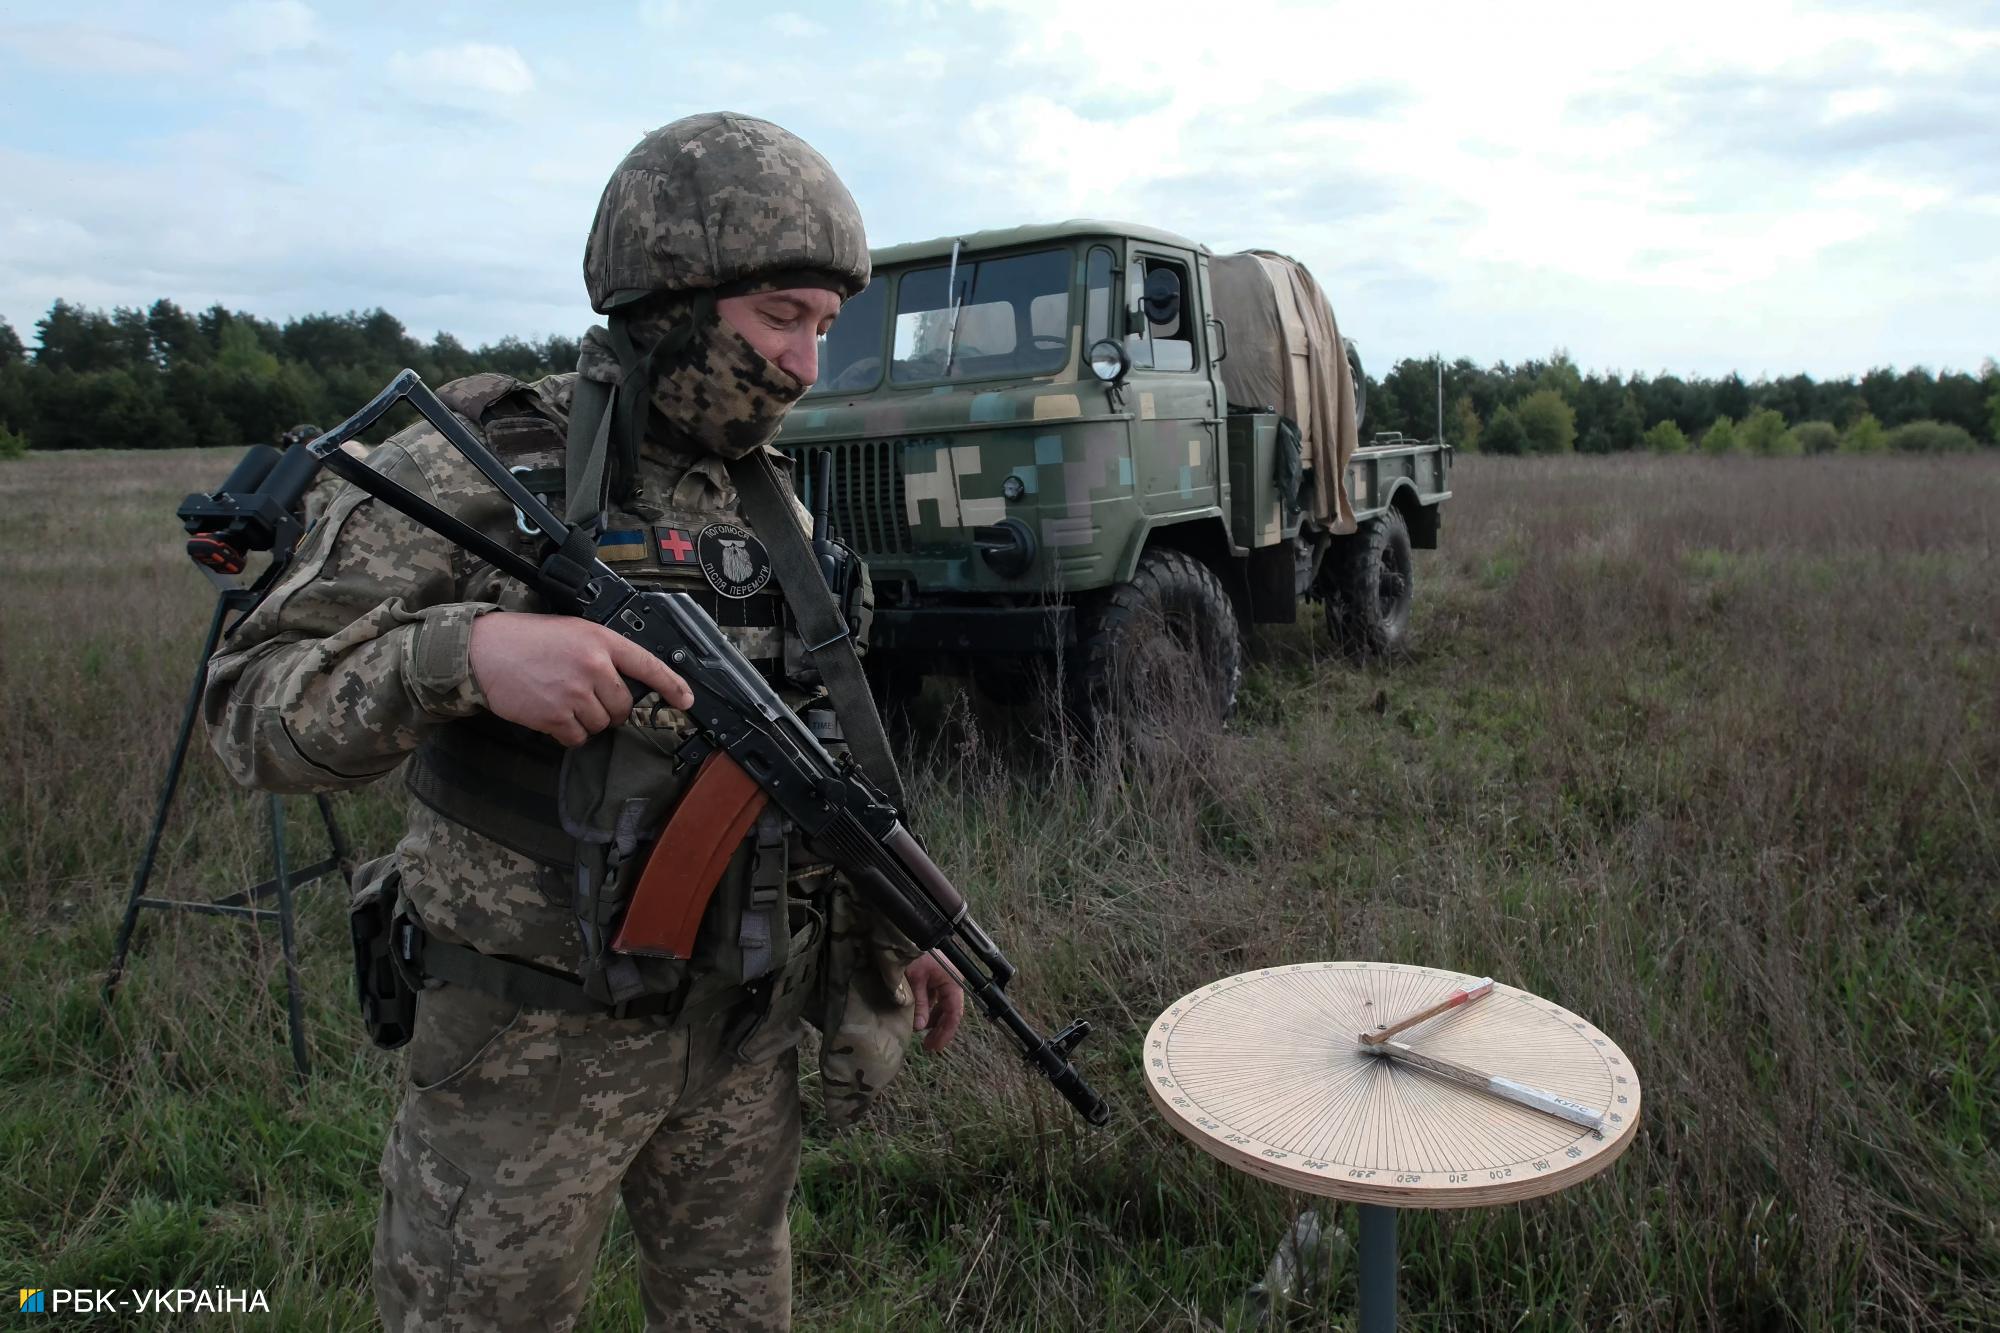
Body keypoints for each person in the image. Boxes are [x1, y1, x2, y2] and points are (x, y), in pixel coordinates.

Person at [202, 112, 962, 1332]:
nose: (807, 365)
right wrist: (463, 655)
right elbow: (250, 705)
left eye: (825, 325)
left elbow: (810, 763)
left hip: (734, 1043)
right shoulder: (489, 460)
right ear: (673, 295)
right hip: (518, 1060)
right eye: (779, 317)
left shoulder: (778, 519)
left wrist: (899, 918)